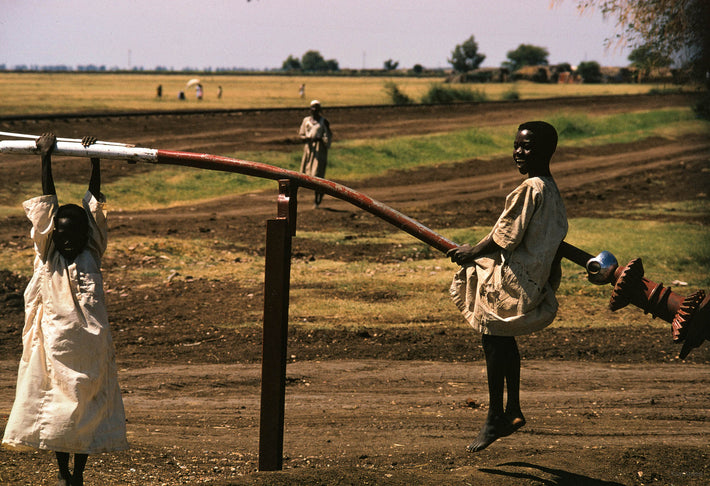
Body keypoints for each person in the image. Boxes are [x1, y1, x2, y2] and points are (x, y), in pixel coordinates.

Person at [2, 133, 128, 485]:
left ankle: (79, 475)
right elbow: (47, 205)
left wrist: (96, 158)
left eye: (73, 234)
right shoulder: (48, 253)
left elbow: (94, 206)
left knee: (86, 409)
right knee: (57, 409)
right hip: (54, 347)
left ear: (86, 234)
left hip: (91, 348)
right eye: (61, 233)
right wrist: (45, 157)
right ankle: (62, 473)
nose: (66, 239)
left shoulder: (92, 250)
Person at [447, 121, 567, 453]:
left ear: (545, 152)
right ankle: (510, 408)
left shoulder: (529, 189)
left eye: (526, 147)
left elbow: (504, 237)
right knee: (502, 339)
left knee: (490, 335)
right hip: (533, 280)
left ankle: (494, 417)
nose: (518, 152)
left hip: (514, 282)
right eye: (516, 145)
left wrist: (471, 251)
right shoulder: (552, 190)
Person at [299, 100, 332, 207]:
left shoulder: (323, 122)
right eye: (312, 108)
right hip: (309, 150)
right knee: (307, 174)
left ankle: (317, 198)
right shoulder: (306, 121)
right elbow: (301, 135)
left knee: (317, 174)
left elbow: (328, 137)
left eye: (316, 108)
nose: (314, 110)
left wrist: (320, 139)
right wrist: (307, 139)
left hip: (319, 151)